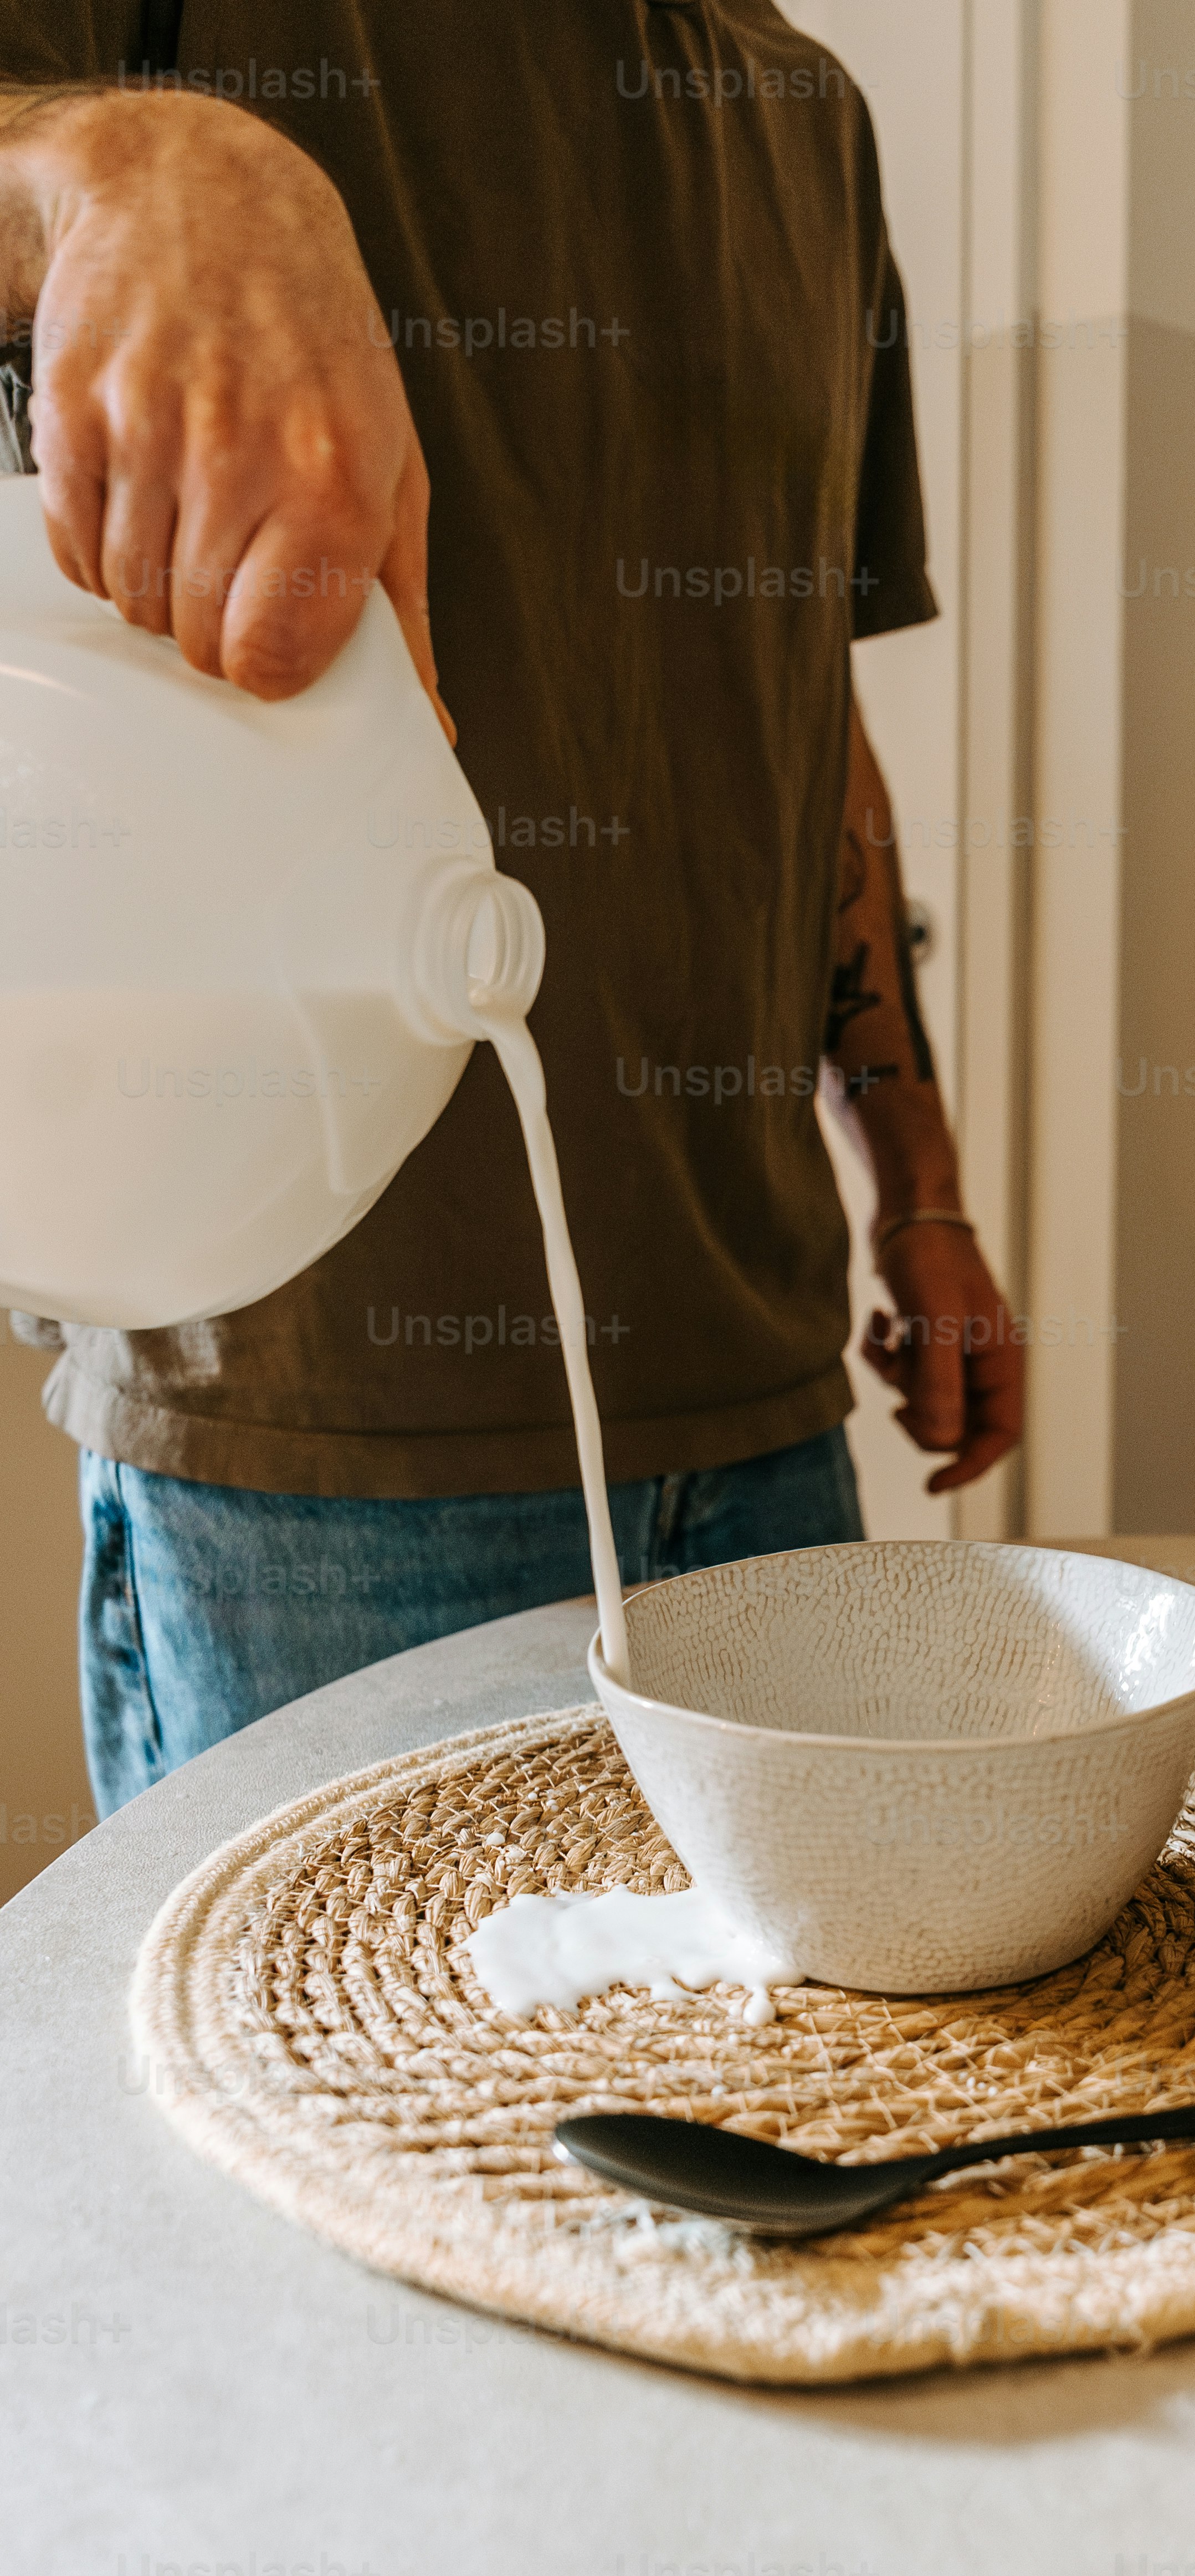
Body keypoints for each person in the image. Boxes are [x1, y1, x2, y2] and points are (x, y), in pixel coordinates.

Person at [0, 4, 1024, 1812]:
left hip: (760, 1386)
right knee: (305, 2081)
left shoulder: (810, 118)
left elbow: (810, 711)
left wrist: (918, 1189)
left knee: (777, 2079)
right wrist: (107, 165)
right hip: (320, 1441)